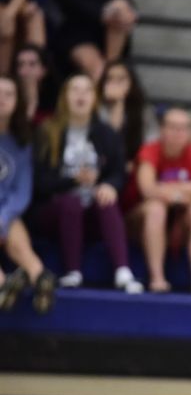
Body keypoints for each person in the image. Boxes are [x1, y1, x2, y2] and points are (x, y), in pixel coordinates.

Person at [32, 73, 142, 293]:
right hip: (54, 212)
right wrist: (73, 180)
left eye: (87, 90)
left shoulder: (106, 133)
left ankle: (123, 271)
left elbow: (119, 173)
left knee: (106, 199)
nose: (81, 95)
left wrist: (109, 185)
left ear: (95, 98)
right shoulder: (47, 131)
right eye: (75, 89)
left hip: (91, 213)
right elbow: (39, 181)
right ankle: (73, 271)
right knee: (71, 202)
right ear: (64, 97)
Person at [124, 107, 191, 294]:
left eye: (183, 128)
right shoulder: (150, 150)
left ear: (190, 132)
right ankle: (157, 278)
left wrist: (169, 190)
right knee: (156, 208)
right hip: (137, 221)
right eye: (173, 127)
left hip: (176, 222)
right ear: (162, 129)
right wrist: (183, 191)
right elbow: (147, 189)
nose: (178, 133)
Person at [0, 75, 55, 313]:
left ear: (18, 102)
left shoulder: (22, 143)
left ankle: (36, 274)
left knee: (13, 226)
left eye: (9, 94)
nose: (2, 99)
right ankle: (5, 285)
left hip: (6, 210)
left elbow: (22, 191)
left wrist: (2, 219)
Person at [45, 0, 137, 82]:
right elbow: (73, 2)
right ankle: (108, 78)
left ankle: (111, 69)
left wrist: (123, 11)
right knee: (97, 69)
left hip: (108, 36)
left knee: (121, 7)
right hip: (73, 35)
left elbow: (126, 1)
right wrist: (103, 13)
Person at [97, 60, 157, 170]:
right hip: (103, 167)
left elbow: (152, 141)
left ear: (131, 82)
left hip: (135, 166)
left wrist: (138, 163)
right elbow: (109, 140)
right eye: (110, 79)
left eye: (121, 79)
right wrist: (118, 102)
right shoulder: (96, 107)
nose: (115, 84)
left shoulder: (142, 109)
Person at [0, 0, 46, 76]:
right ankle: (3, 81)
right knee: (6, 28)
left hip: (14, 4)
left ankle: (34, 82)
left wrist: (12, 11)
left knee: (35, 17)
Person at [14, 44, 58, 126]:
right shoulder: (8, 95)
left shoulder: (55, 97)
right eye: (20, 65)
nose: (25, 70)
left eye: (32, 64)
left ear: (44, 70)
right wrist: (31, 102)